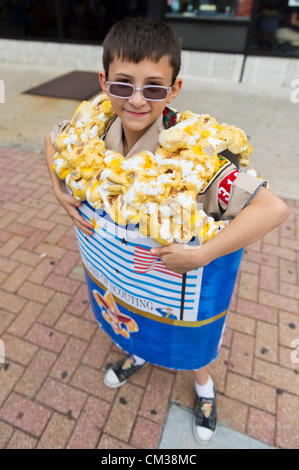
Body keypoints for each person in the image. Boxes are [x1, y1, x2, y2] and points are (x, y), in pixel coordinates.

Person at [44, 17, 289, 445]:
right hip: (125, 274)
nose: (137, 100)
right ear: (104, 82)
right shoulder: (94, 128)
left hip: (177, 281)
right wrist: (58, 188)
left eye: (154, 87)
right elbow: (53, 140)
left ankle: (203, 386)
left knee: (191, 340)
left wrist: (202, 255)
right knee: (135, 318)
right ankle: (139, 352)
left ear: (174, 89)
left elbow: (272, 208)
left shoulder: (196, 155)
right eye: (123, 84)